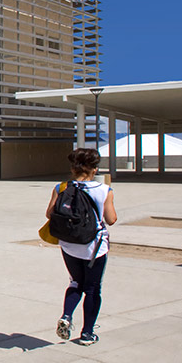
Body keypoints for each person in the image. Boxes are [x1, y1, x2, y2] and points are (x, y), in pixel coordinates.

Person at [48, 147, 116, 346]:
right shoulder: (104, 191)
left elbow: (49, 214)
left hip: (69, 245)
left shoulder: (61, 188)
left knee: (76, 282)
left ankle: (67, 315)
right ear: (94, 169)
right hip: (94, 247)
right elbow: (111, 219)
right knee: (93, 289)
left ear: (73, 168)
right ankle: (87, 333)